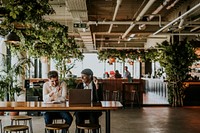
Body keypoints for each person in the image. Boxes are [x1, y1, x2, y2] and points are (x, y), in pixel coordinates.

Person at [75, 68, 102, 133]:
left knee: (93, 117)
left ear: (90, 76)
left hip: (93, 109)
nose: (81, 78)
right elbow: (75, 97)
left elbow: (100, 99)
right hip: (81, 108)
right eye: (81, 76)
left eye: (83, 76)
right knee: (78, 116)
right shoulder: (79, 85)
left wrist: (96, 87)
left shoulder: (96, 85)